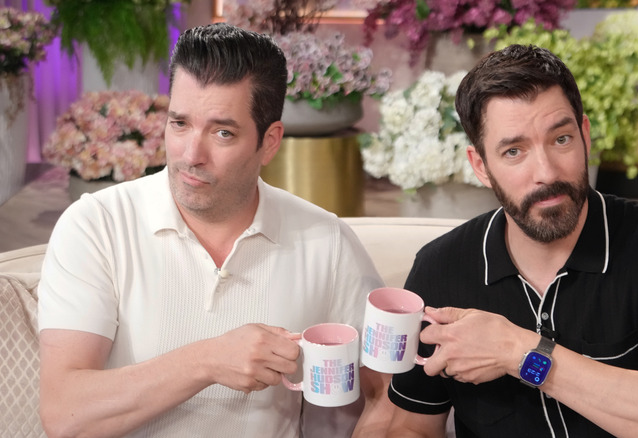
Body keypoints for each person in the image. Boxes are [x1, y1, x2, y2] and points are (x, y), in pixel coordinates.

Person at [37, 23, 391, 438]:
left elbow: (387, 392)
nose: (191, 155)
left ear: (270, 141)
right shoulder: (96, 225)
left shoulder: (326, 241)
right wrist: (207, 361)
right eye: (180, 124)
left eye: (223, 133)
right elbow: (63, 413)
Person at [385, 45, 638, 437]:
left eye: (561, 139)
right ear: (481, 166)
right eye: (514, 151)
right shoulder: (441, 268)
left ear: (584, 135)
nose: (546, 172)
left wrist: (517, 352)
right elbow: (410, 425)